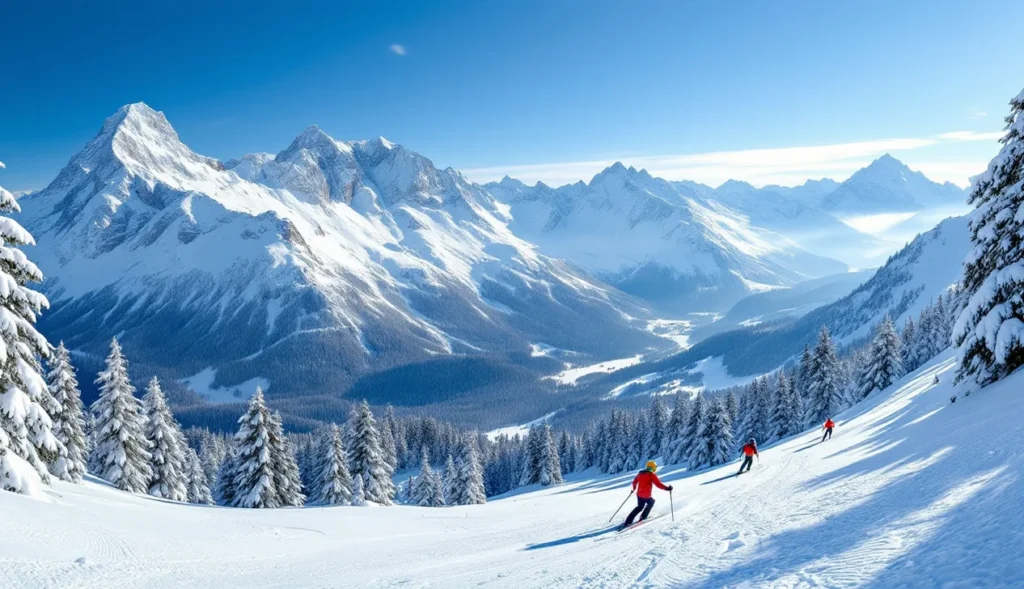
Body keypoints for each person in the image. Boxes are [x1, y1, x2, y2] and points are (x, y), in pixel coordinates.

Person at [623, 460, 672, 527]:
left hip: (639, 494)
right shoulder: (651, 474)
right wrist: (667, 488)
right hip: (646, 495)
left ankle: (627, 522)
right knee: (651, 502)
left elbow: (634, 482)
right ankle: (643, 517)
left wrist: (633, 489)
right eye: (655, 467)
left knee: (639, 507)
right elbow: (658, 484)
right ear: (653, 467)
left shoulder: (640, 473)